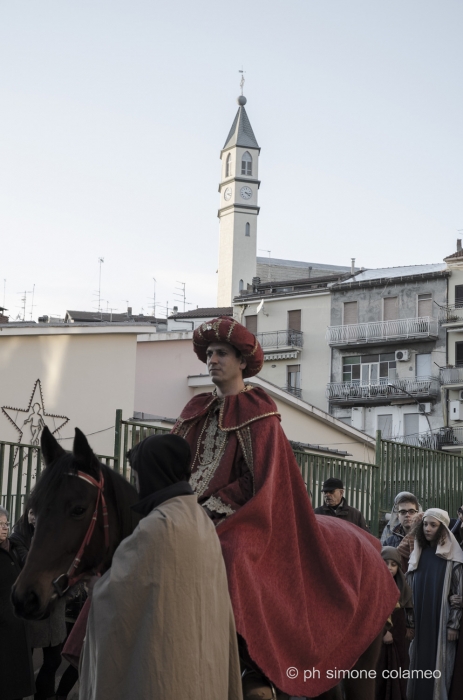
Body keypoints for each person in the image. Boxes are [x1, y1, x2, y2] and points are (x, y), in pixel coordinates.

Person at [173, 316, 400, 699]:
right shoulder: (197, 411)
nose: (212, 360)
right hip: (187, 509)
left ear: (241, 361)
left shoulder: (260, 412)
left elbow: (258, 478)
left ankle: (253, 664)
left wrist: (209, 506)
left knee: (236, 553)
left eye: (221, 353)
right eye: (209, 353)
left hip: (249, 512)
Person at [79, 433, 242, 700]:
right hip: (203, 667)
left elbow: (118, 596)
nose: (135, 482)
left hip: (169, 674)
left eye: (138, 474)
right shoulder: (200, 518)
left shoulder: (158, 526)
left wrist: (97, 586)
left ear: (153, 473)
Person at [406, 508, 463, 700]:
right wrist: (410, 621)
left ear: (443, 528)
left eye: (433, 525)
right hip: (420, 619)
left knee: (439, 663)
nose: (428, 528)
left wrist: (453, 624)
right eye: (425, 524)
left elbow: (458, 594)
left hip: (441, 621)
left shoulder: (453, 558)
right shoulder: (419, 554)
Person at [11, 508, 67, 700]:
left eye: (41, 512)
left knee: (54, 660)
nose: (36, 517)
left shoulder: (56, 534)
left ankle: (44, 695)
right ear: (27, 512)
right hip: (32, 608)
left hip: (54, 607)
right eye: (33, 512)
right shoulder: (18, 537)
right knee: (24, 661)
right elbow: (30, 563)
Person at [0, 506, 35, 700]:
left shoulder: (12, 548)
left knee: (16, 687)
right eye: (0, 524)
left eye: (6, 523)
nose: (4, 528)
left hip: (17, 626)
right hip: (3, 628)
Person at [375, 546, 414, 700]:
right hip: (380, 636)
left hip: (399, 634)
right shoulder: (375, 584)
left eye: (393, 564)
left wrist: (410, 626)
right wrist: (384, 632)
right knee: (380, 670)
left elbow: (409, 606)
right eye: (386, 563)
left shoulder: (402, 586)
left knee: (398, 669)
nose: (389, 568)